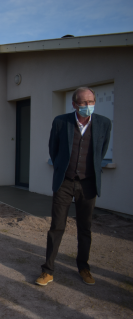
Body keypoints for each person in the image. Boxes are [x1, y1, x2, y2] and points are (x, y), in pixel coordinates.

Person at [36, 87, 112, 287]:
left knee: (84, 228)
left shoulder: (104, 123)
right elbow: (53, 149)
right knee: (57, 227)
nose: (88, 106)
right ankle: (48, 270)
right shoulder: (61, 122)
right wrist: (63, 169)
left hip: (88, 183)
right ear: (74, 104)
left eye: (91, 102)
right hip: (65, 182)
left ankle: (83, 267)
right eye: (83, 103)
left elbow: (101, 152)